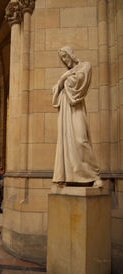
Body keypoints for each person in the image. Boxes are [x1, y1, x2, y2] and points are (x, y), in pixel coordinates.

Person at [52, 46, 103, 187]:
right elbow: (56, 90)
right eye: (62, 58)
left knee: (81, 140)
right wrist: (63, 78)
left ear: (71, 55)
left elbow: (80, 81)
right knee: (67, 143)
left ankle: (94, 175)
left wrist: (64, 80)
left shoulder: (84, 66)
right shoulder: (67, 74)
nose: (64, 60)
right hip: (65, 110)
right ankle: (71, 177)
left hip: (76, 107)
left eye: (65, 56)